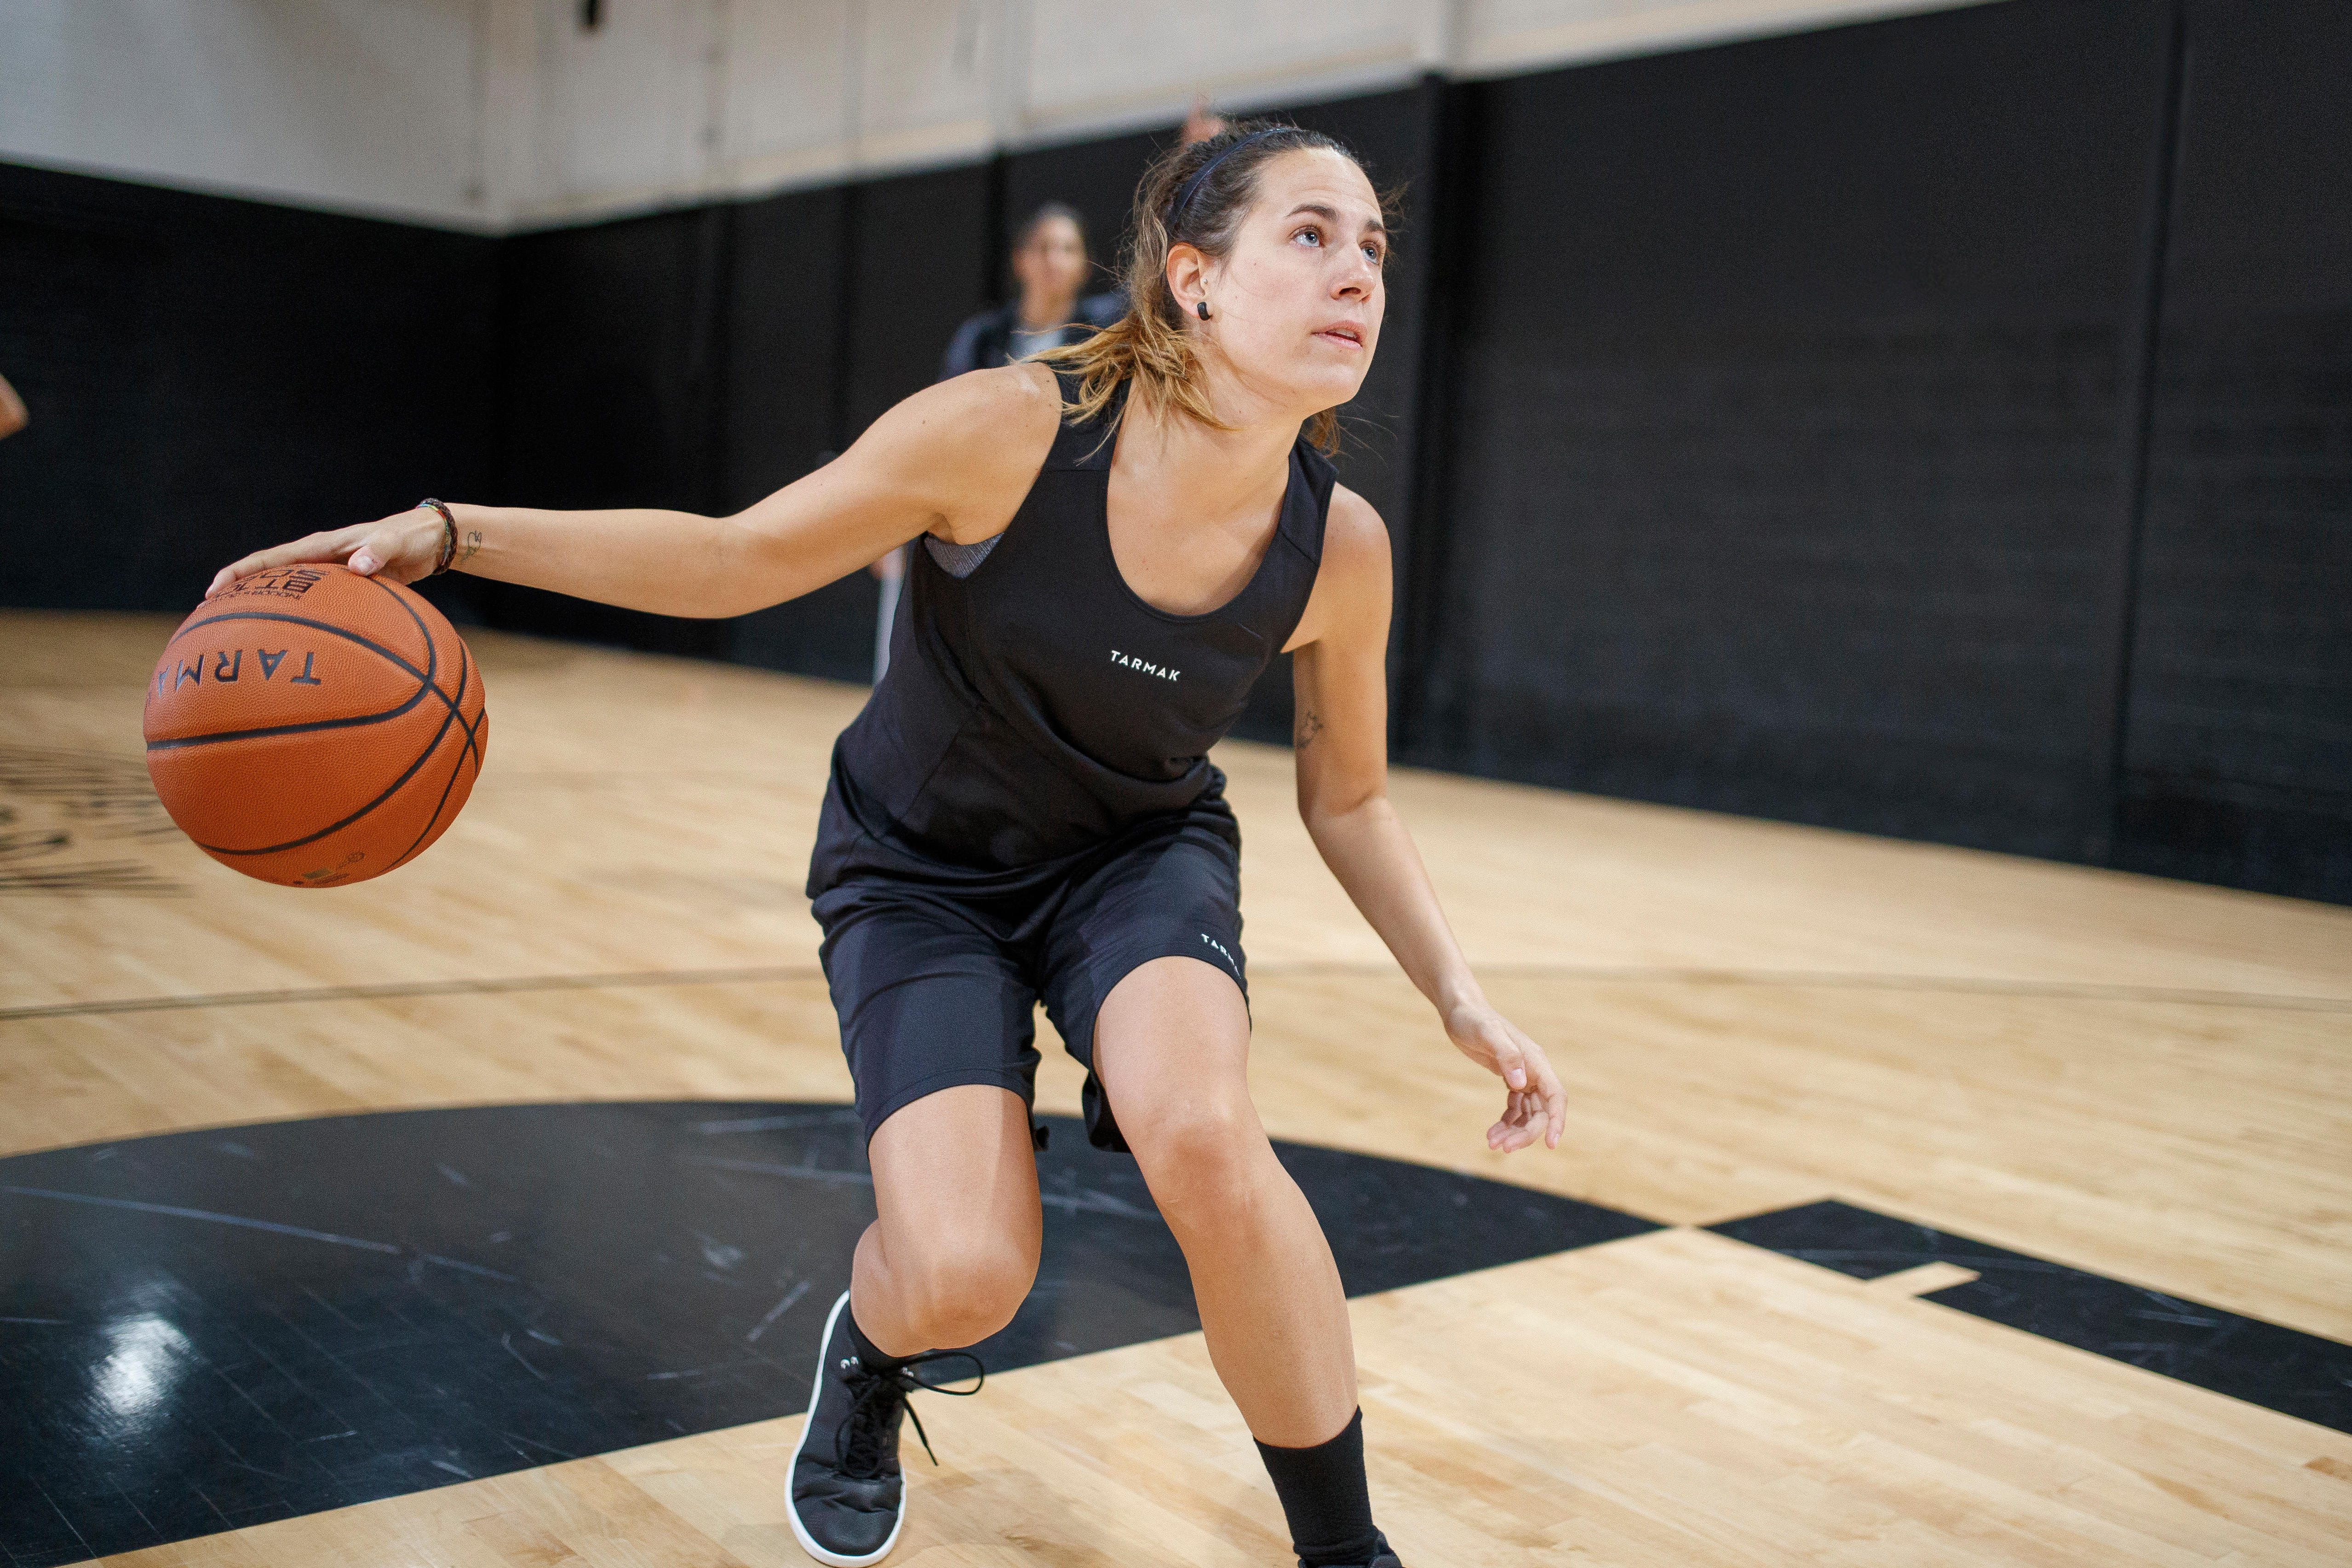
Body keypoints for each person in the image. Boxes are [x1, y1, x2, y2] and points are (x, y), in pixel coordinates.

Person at [205, 119, 1565, 1568]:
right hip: (922, 871)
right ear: (1194, 280)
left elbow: (1347, 796)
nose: (1357, 272)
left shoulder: (1340, 546)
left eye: (1373, 249)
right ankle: (871, 1347)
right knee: (967, 1275)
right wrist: (452, 531)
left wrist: (1458, 993)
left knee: (1205, 1136)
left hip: (1134, 857)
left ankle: (1347, 1553)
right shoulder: (1008, 428)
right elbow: (732, 556)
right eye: (1310, 234)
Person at [870, 202, 1124, 683]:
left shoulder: (1102, 334)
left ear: (1083, 265)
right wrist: (894, 527)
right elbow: (935, 434)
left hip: (1065, 527)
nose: (1054, 260)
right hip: (978, 524)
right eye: (1044, 247)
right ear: (1021, 260)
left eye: (1068, 249)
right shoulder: (982, 339)